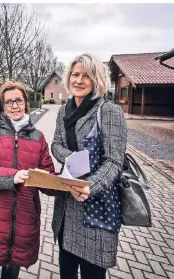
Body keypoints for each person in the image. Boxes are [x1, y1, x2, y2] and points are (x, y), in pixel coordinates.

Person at [51, 53, 127, 279]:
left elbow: (114, 161)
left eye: (86, 75)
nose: (79, 80)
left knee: (92, 273)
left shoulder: (109, 111)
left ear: (97, 80)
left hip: (96, 205)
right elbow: (55, 145)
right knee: (67, 271)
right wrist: (74, 158)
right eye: (75, 74)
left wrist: (89, 186)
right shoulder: (63, 111)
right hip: (67, 206)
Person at [0, 81, 57, 279]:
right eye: (8, 102)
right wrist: (13, 176)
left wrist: (67, 184)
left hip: (25, 220)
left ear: (25, 102)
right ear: (1, 106)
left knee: (13, 269)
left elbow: (47, 175)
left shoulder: (38, 137)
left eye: (18, 100)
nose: (14, 106)